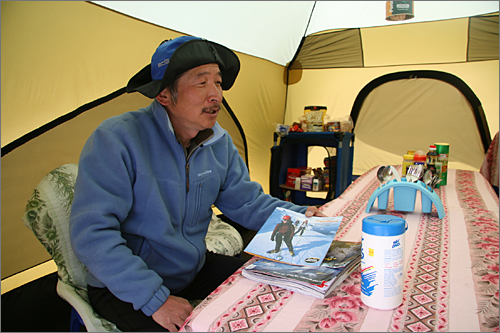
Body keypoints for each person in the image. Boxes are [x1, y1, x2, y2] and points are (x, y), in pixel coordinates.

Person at [69, 35, 325, 332]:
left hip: (191, 270)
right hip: (126, 287)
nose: (215, 94)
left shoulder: (219, 142)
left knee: (284, 288)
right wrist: (157, 300)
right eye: (201, 83)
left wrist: (300, 216)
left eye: (218, 83)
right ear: (164, 94)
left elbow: (247, 202)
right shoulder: (117, 139)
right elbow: (92, 234)